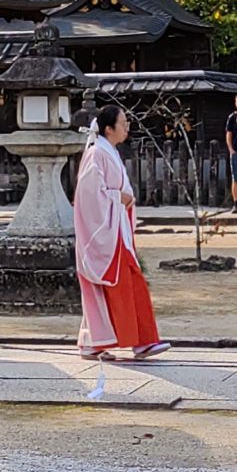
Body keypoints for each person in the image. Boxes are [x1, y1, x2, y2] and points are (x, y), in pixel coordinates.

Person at [76, 102, 168, 361]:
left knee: (126, 284)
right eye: (123, 123)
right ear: (108, 129)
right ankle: (136, 341)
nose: (127, 127)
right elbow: (88, 194)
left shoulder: (108, 152)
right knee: (121, 285)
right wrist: (119, 198)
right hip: (106, 231)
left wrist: (120, 200)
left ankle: (104, 341)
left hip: (114, 229)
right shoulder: (97, 154)